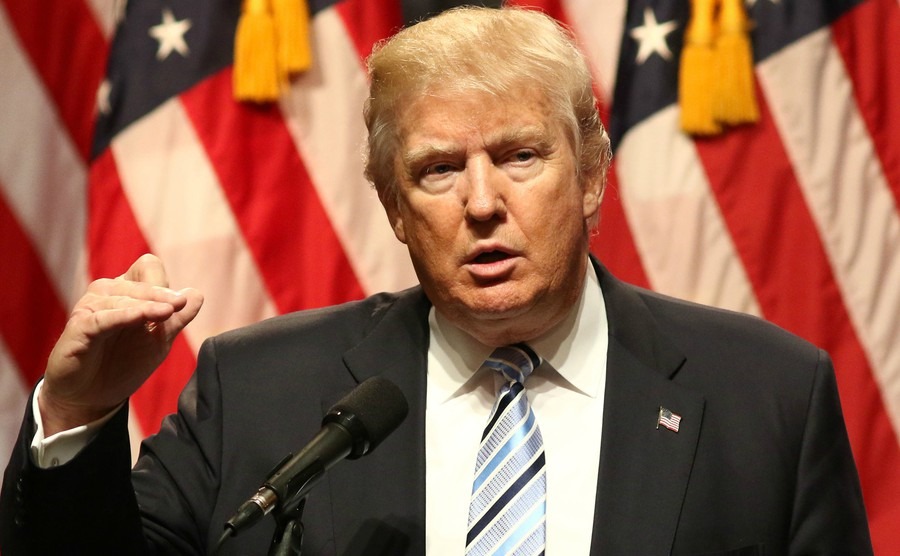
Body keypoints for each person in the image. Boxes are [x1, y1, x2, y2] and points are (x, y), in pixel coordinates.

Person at [0, 6, 872, 555]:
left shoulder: (769, 397)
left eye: (521, 156)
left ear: (594, 173)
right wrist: (76, 421)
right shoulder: (257, 392)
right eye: (438, 170)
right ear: (391, 205)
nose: (483, 202)